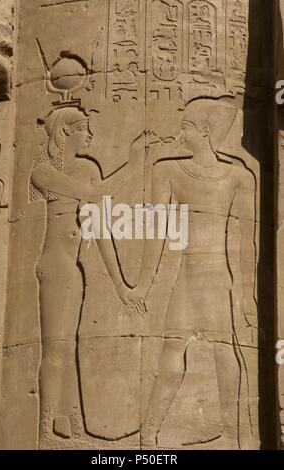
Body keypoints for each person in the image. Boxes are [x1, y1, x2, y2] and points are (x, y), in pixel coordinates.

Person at [127, 98, 257, 449]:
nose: (179, 130)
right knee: (173, 350)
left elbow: (246, 244)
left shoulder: (240, 177)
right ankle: (149, 432)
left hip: (217, 277)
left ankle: (232, 434)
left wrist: (247, 297)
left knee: (224, 352)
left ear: (204, 131)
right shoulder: (167, 170)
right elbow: (155, 230)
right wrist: (142, 285)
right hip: (186, 273)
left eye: (185, 125)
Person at [30, 105, 156, 442]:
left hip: (73, 270)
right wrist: (132, 162)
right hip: (54, 267)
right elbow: (95, 195)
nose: (90, 135)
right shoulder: (42, 171)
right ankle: (43, 434)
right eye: (84, 128)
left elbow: (100, 230)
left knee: (67, 348)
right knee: (54, 352)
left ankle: (71, 427)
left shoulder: (87, 169)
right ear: (65, 131)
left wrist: (121, 287)